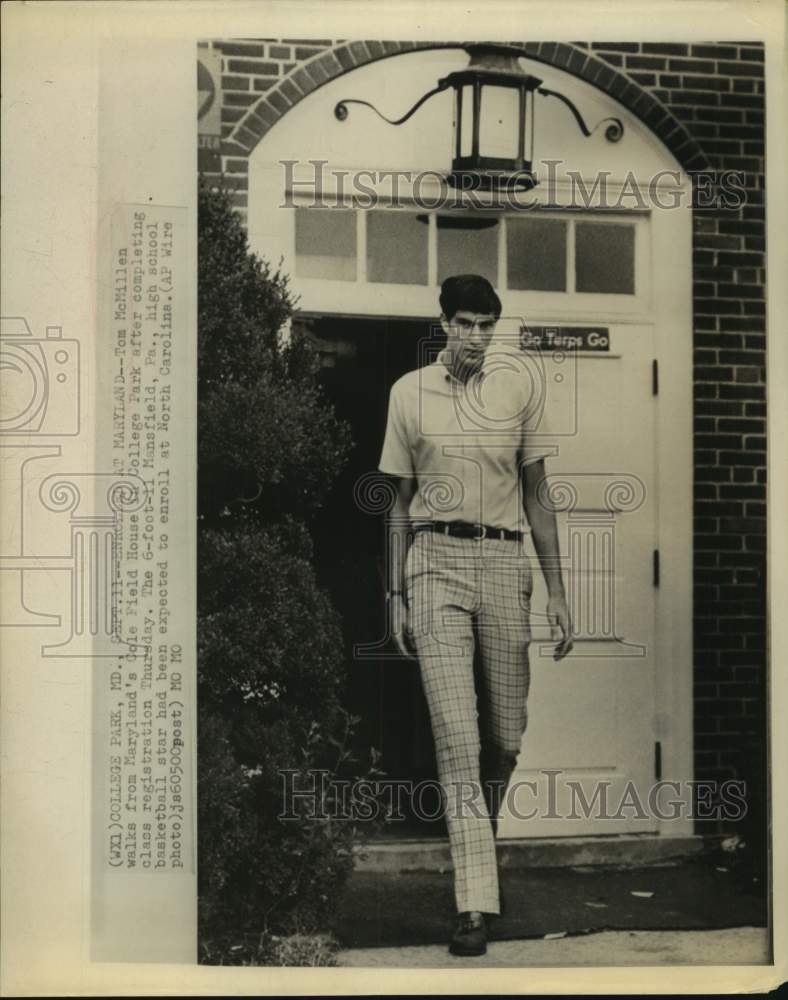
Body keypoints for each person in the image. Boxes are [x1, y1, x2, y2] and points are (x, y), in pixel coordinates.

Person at [378, 273, 573, 957]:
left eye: (488, 324)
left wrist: (558, 589)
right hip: (434, 561)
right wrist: (394, 592)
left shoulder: (518, 388)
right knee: (458, 738)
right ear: (443, 324)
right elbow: (398, 503)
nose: (477, 337)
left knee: (506, 735)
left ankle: (476, 846)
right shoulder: (409, 392)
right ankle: (474, 901)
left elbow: (539, 494)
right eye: (465, 323)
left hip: (504, 563)